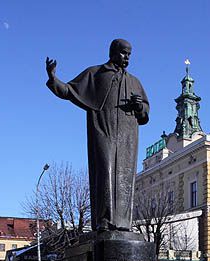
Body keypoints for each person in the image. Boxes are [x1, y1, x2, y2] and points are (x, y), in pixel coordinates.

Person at [46, 39, 149, 231]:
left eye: (129, 54)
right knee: (104, 171)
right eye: (123, 53)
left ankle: (123, 223)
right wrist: (53, 78)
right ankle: (104, 220)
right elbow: (69, 90)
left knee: (125, 177)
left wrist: (139, 106)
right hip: (104, 130)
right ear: (112, 52)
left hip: (128, 137)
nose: (126, 57)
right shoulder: (96, 73)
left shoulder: (135, 82)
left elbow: (144, 115)